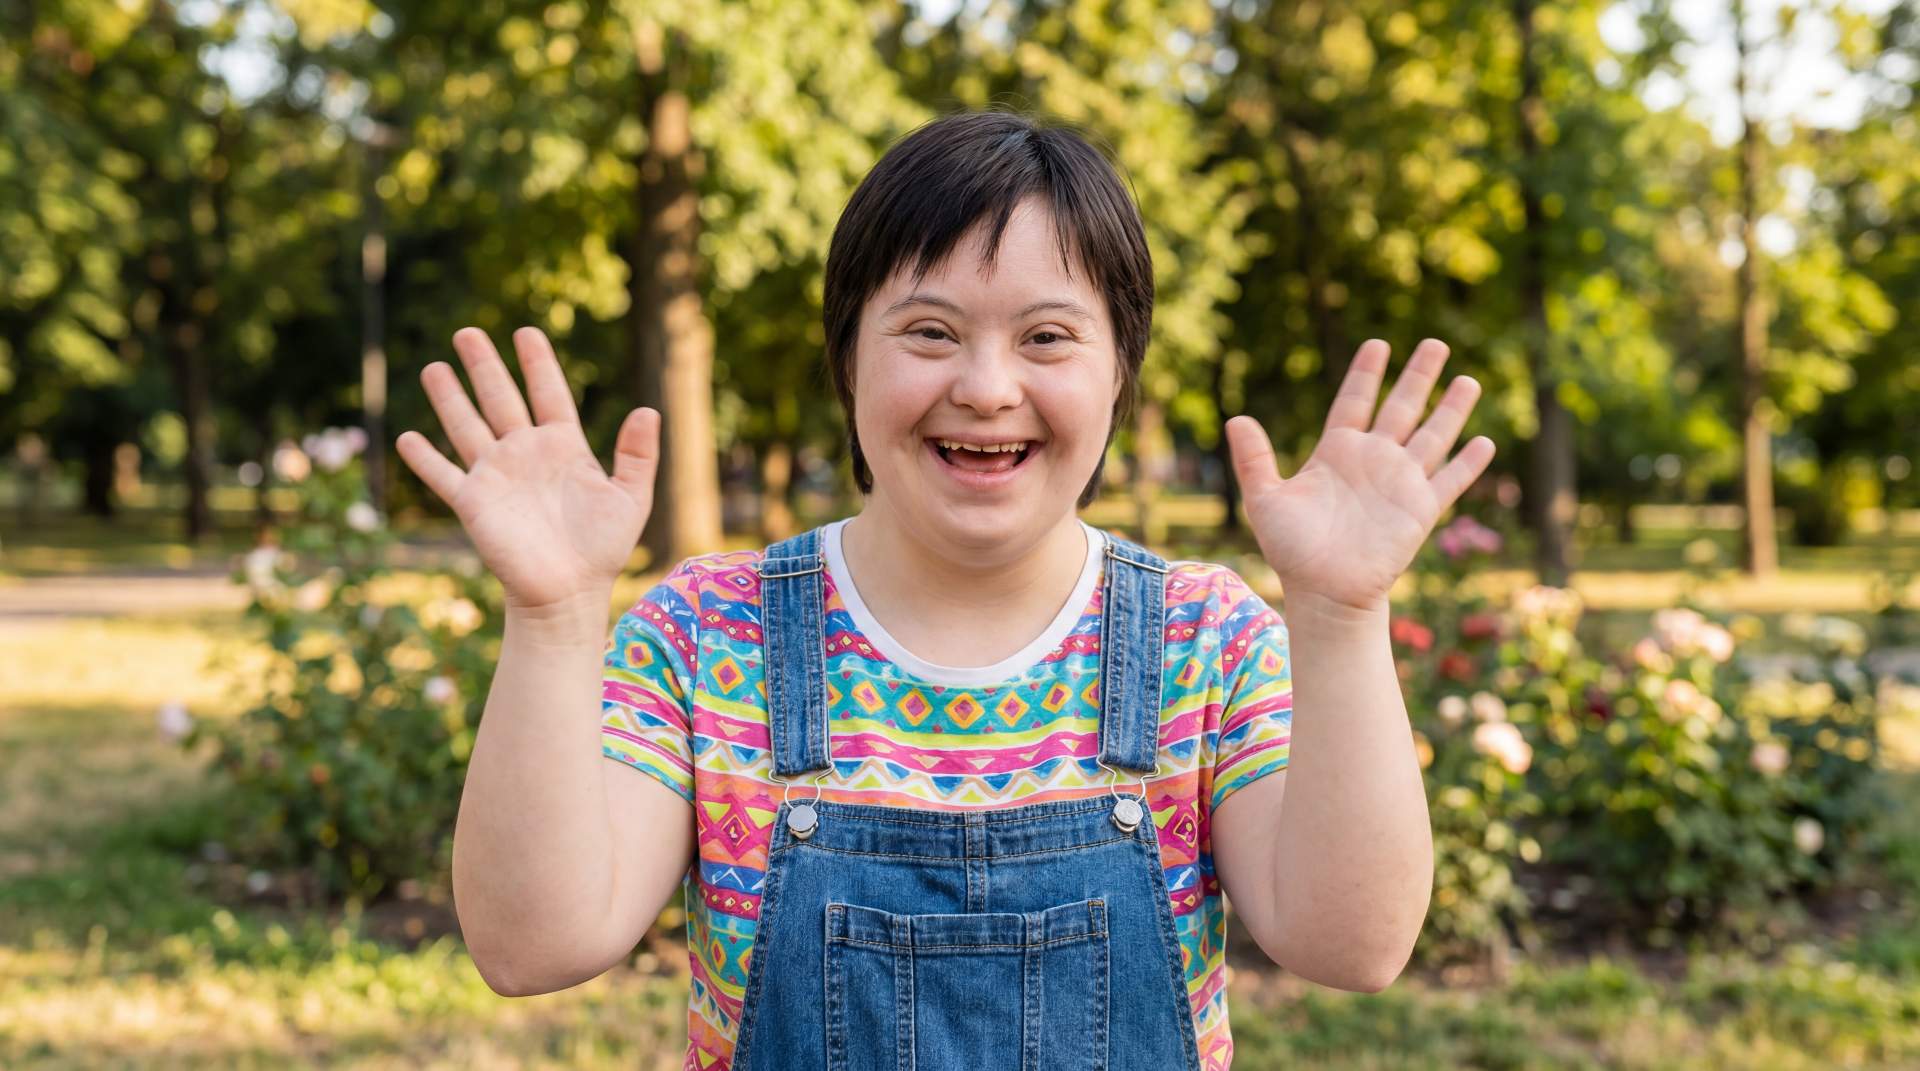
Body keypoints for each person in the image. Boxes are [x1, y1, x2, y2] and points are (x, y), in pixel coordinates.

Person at [396, 109, 1494, 1071]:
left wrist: (1344, 620)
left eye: (1048, 338)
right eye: (929, 331)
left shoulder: (1203, 641)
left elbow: (1351, 947)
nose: (984, 387)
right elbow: (531, 946)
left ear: (1121, 372)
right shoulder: (703, 634)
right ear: (848, 360)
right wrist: (549, 619)